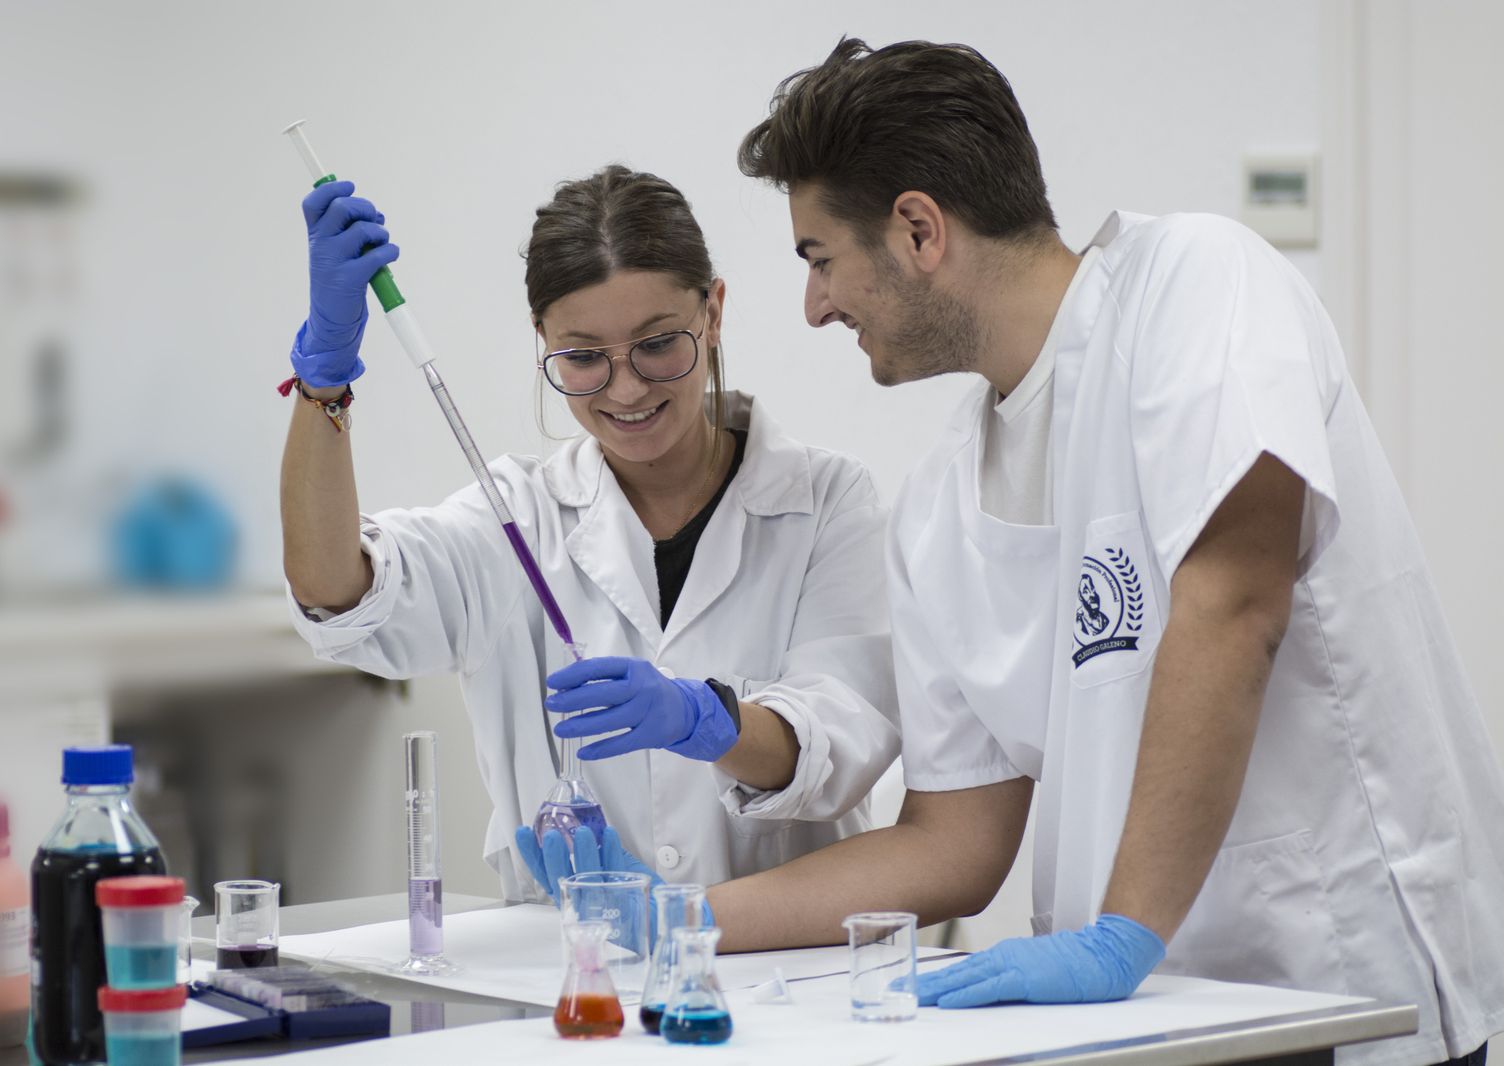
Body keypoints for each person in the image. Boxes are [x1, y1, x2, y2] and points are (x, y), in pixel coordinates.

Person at [518, 39, 1504, 1066]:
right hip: (1128, 1023)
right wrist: (683, 920)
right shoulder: (943, 502)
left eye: (819, 258)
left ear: (916, 229)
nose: (814, 305)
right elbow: (955, 843)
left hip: (1330, 986)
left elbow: (1233, 607)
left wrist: (1121, 937)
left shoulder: (1196, 287)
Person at [282, 164, 900, 900]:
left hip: (782, 975)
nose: (627, 387)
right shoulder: (516, 516)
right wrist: (325, 381)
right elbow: (335, 591)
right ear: (542, 339)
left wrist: (710, 721)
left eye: (658, 342)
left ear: (714, 313)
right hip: (574, 978)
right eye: (582, 357)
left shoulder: (825, 503)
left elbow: (841, 742)